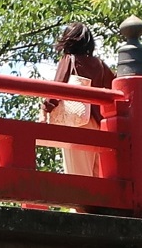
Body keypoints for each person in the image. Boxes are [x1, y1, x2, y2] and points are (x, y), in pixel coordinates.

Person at [40, 23, 116, 177]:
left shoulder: (69, 59)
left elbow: (57, 88)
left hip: (77, 122)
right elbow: (116, 85)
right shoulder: (100, 65)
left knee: (78, 175)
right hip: (98, 125)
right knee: (98, 178)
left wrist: (45, 109)